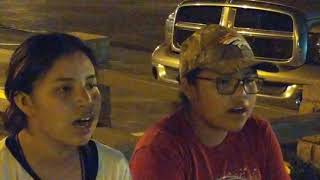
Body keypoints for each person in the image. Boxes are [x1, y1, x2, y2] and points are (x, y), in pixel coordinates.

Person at [130, 24, 290, 180]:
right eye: (224, 82)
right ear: (188, 87)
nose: (241, 94)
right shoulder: (161, 151)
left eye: (248, 80)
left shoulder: (257, 133)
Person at [0, 33, 131, 179]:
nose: (86, 100)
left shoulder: (113, 167)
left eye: (90, 85)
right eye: (65, 89)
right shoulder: (4, 169)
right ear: (25, 102)